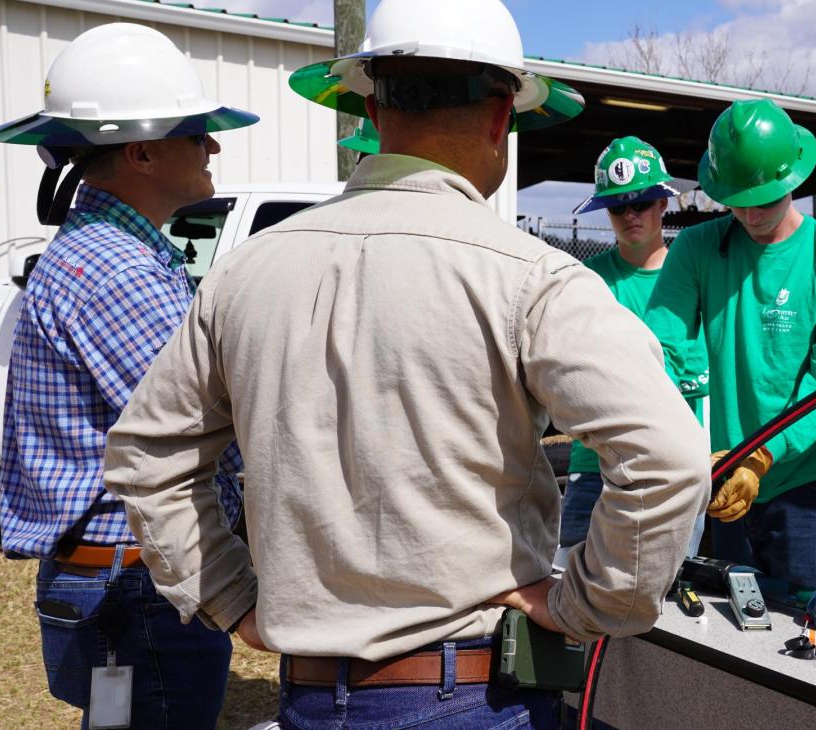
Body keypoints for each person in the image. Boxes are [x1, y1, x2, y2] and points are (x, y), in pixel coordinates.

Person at [102, 1, 710, 728]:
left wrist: (230, 599)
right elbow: (668, 459)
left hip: (310, 696)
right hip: (474, 696)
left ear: (369, 105)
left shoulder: (244, 273)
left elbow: (147, 452)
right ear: (499, 118)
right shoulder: (530, 278)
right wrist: (587, 604)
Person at [0, 23, 254, 728]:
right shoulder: (118, 271)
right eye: (196, 134)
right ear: (140, 152)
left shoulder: (105, 254)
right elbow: (203, 422)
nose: (212, 146)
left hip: (116, 574)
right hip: (138, 582)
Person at [645, 99, 816, 591]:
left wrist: (763, 455)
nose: (748, 213)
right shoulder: (697, 249)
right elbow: (659, 348)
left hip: (813, 482)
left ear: (793, 180)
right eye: (736, 199)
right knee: (732, 637)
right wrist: (683, 443)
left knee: (814, 636)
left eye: (764, 199)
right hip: (727, 470)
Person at [556, 136, 709, 566]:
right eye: (618, 206)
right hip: (597, 465)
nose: (630, 215)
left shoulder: (695, 277)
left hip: (672, 467)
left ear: (664, 204)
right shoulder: (585, 279)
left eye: (641, 202)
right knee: (574, 581)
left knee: (667, 598)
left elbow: (700, 374)